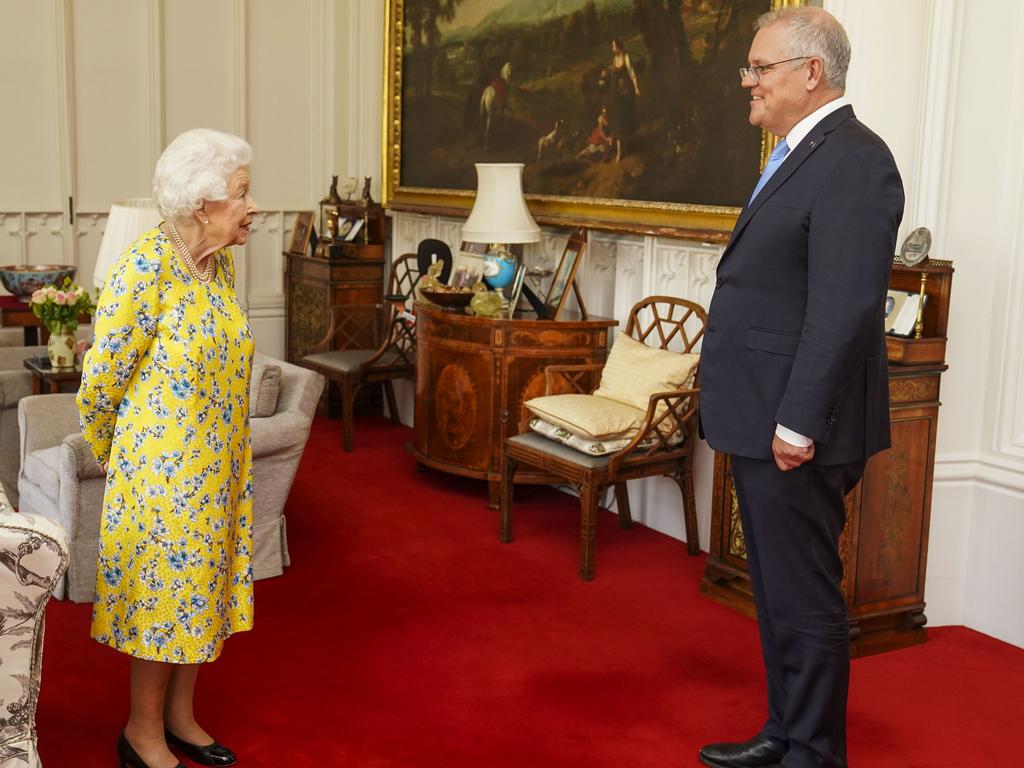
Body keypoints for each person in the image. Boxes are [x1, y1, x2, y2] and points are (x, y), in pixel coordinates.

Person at [698, 8, 904, 768]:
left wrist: (798, 422)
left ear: (809, 72)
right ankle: (784, 731)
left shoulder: (856, 160)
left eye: (759, 67)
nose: (747, 81)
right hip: (761, 410)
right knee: (778, 589)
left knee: (805, 593)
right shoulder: (796, 152)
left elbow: (843, 307)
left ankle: (815, 754)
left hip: (796, 422)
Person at [77, 128, 259, 768]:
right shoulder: (142, 268)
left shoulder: (219, 264)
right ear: (202, 203)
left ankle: (180, 718)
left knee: (201, 591)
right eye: (241, 195)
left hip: (218, 465)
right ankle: (141, 732)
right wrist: (119, 453)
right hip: (161, 471)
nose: (252, 207)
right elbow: (101, 382)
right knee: (164, 599)